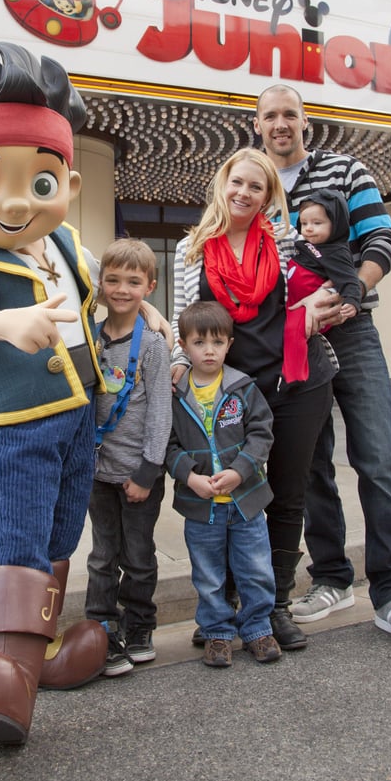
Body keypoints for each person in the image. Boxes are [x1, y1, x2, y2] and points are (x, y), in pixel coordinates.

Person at [0, 42, 165, 745]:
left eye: (41, 183)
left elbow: (106, 283)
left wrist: (148, 311)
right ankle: (2, 669)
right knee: (20, 530)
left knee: (61, 532)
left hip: (80, 415)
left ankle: (39, 655)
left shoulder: (65, 247)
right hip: (18, 423)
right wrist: (4, 322)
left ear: (69, 187)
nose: (19, 201)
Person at [254, 83, 391, 653]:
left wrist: (349, 292)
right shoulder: (252, 184)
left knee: (378, 459)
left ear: (304, 123)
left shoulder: (343, 170)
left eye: (290, 114)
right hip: (291, 340)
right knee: (308, 467)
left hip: (351, 331)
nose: (281, 124)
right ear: (256, 125)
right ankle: (332, 578)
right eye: (270, 116)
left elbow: (381, 237)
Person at [171, 147, 337, 652]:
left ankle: (275, 607)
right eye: (237, 182)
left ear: (269, 196)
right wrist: (179, 366)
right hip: (227, 393)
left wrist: (313, 304)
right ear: (223, 183)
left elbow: (332, 284)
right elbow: (184, 317)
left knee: (286, 494)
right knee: (223, 499)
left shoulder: (287, 243)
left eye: (256, 187)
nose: (243, 193)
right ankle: (221, 611)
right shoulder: (192, 249)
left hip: (295, 382)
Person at [168, 301, 281, 667]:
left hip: (245, 503)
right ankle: (217, 633)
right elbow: (166, 445)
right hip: (201, 507)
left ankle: (257, 629)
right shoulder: (175, 395)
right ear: (184, 346)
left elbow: (262, 434)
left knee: (255, 569)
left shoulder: (242, 388)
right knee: (208, 575)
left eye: (217, 342)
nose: (209, 350)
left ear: (229, 345)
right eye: (199, 343)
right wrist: (189, 476)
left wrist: (241, 471)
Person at [84, 238, 172, 677]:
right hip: (97, 473)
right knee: (102, 554)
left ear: (149, 286)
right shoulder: (90, 338)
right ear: (99, 284)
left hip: (139, 474)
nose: (121, 288)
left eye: (133, 281)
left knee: (138, 555)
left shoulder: (153, 344)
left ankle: (140, 627)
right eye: (113, 279)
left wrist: (148, 469)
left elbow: (160, 409)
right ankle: (101, 628)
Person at [282, 189, 360, 384]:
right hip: (293, 303)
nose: (308, 228)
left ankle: (294, 376)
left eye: (317, 223)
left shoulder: (337, 252)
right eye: (304, 223)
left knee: (294, 331)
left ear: (336, 224)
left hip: (312, 309)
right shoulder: (304, 245)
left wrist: (352, 301)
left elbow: (350, 279)